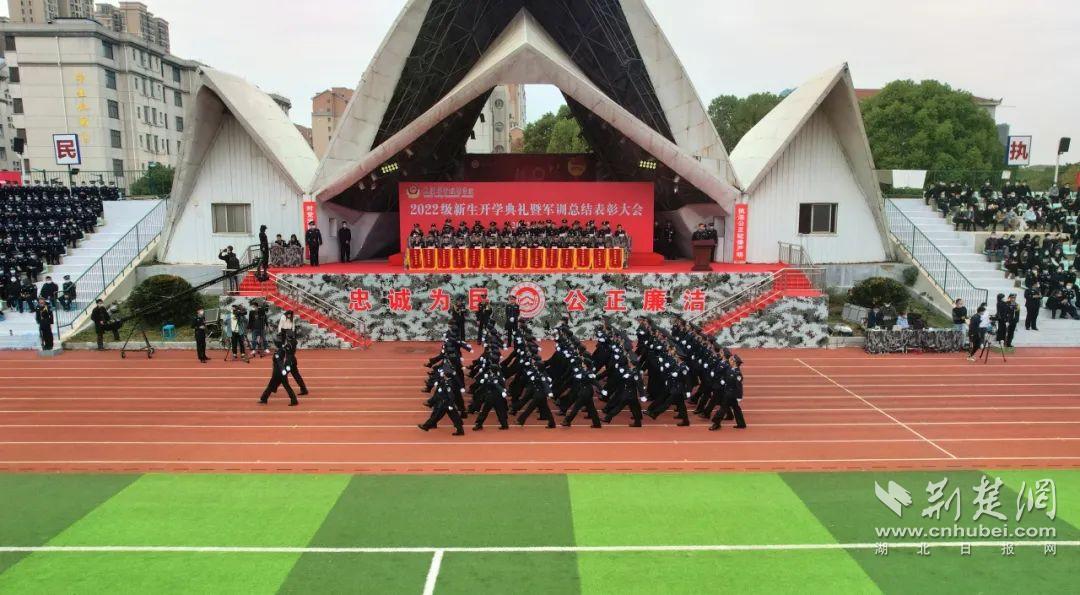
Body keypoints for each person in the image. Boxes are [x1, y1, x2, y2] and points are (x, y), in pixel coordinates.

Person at [258, 338, 299, 407]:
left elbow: (279, 362)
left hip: (277, 372)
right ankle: (294, 400)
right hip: (281, 372)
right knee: (285, 386)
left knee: (271, 386)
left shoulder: (278, 353)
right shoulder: (282, 349)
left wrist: (282, 369)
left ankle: (264, 398)